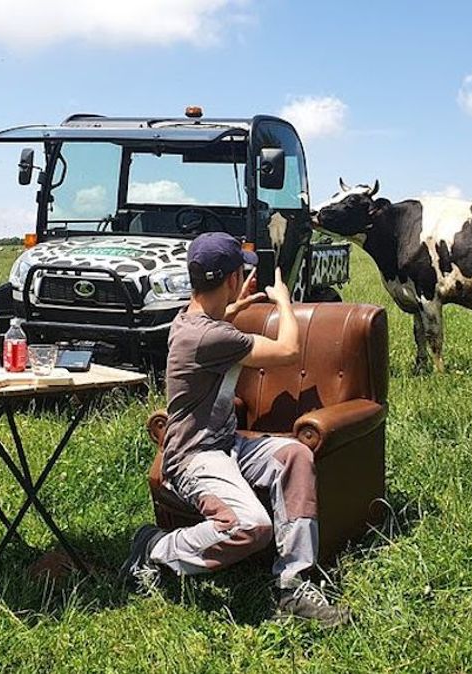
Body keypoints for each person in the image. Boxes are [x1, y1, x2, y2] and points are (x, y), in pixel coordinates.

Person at [121, 232, 350, 627]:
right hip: (192, 457)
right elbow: (289, 352)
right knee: (250, 527)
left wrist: (232, 305)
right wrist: (284, 302)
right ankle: (155, 548)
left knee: (294, 453)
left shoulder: (188, 320)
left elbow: (209, 328)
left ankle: (293, 584)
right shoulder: (212, 336)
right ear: (230, 278)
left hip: (226, 444)